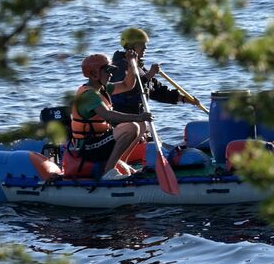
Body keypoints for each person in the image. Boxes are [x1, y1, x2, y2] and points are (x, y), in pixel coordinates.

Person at [72, 52, 151, 180]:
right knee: (132, 127)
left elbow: (127, 85)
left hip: (99, 141)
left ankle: (121, 163)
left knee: (141, 125)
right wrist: (138, 117)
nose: (111, 75)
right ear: (94, 73)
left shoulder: (102, 88)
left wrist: (131, 64)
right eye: (107, 71)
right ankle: (108, 172)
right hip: (88, 147)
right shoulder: (89, 95)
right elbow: (108, 115)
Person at [107, 27, 199, 117]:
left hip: (139, 117)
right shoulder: (119, 67)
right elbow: (128, 90)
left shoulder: (140, 68)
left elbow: (158, 92)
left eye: (145, 44)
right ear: (131, 46)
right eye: (141, 44)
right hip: (122, 118)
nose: (145, 47)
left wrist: (184, 99)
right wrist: (149, 75)